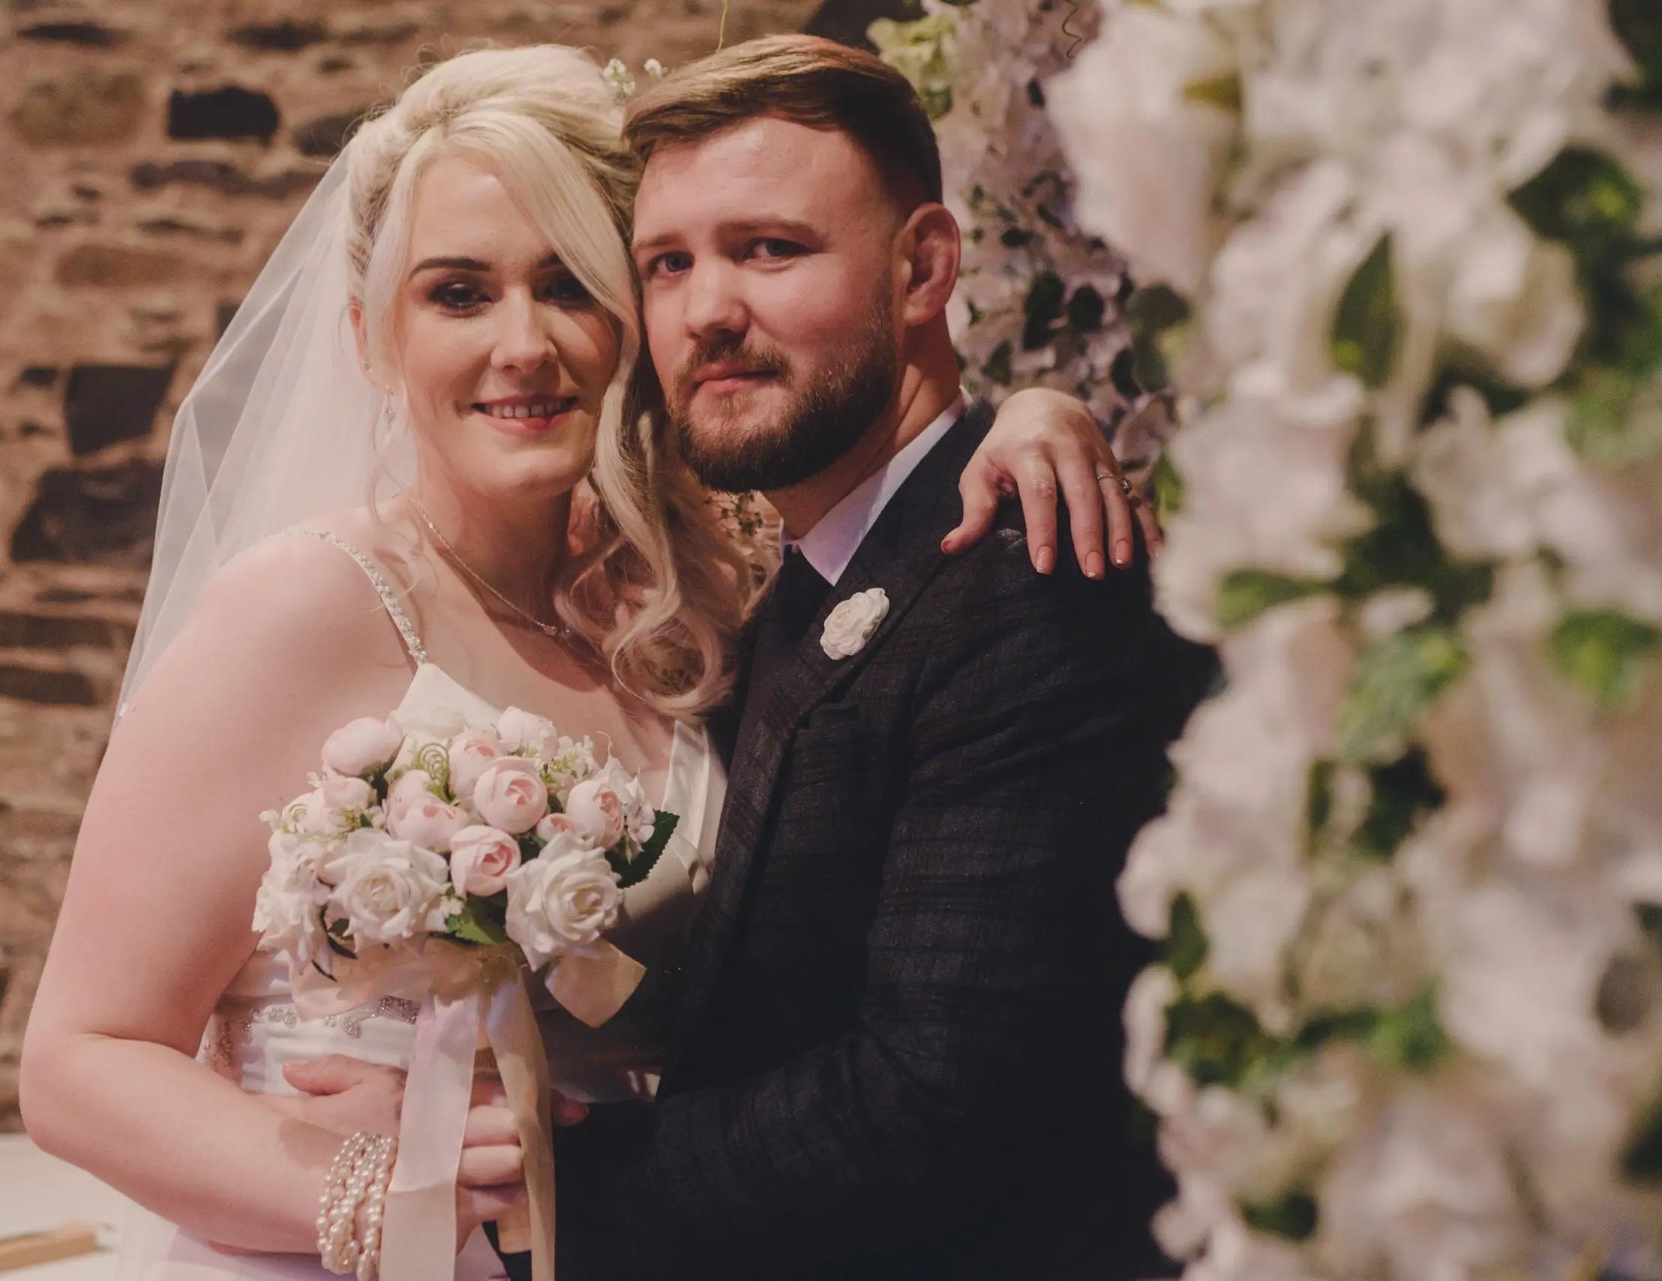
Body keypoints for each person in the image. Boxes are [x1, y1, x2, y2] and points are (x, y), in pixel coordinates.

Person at [17, 42, 1151, 1281]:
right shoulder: (302, 607)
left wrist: (1027, 412)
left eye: (570, 285)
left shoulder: (688, 610)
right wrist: (390, 1194)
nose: (525, 343)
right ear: (370, 338)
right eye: (459, 294)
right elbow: (78, 1059)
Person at [401, 36, 1210, 1281]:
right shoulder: (782, 581)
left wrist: (535, 1192)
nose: (708, 312)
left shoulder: (1028, 581)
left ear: (923, 268)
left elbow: (934, 1107)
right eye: (668, 264)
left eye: (770, 249)